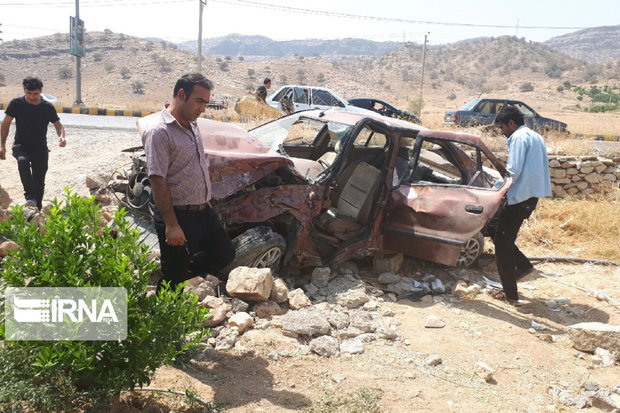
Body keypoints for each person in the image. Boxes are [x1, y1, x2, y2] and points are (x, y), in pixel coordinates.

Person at [142, 73, 235, 290]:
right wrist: (172, 225)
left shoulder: (192, 124)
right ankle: (164, 313)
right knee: (173, 281)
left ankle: (175, 271)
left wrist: (205, 198)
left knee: (224, 253)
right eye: (199, 101)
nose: (202, 109)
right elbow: (158, 180)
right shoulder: (159, 132)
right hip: (178, 215)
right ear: (182, 95)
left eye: (206, 103)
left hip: (203, 212)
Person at [490, 105, 551, 303]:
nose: (502, 132)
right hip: (531, 196)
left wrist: (495, 189)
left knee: (502, 244)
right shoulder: (536, 136)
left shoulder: (517, 137)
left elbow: (513, 172)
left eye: (502, 128)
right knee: (496, 231)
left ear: (511, 123)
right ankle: (523, 266)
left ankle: (510, 294)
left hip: (519, 197)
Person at [1, 77, 66, 209]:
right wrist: (2, 145)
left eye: (35, 94)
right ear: (24, 90)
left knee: (39, 181)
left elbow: (58, 125)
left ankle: (37, 208)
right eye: (28, 93)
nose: (32, 97)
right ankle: (29, 197)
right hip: (20, 145)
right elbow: (5, 124)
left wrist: (62, 137)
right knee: (23, 161)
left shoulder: (47, 107)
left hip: (40, 148)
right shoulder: (16, 104)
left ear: (41, 91)